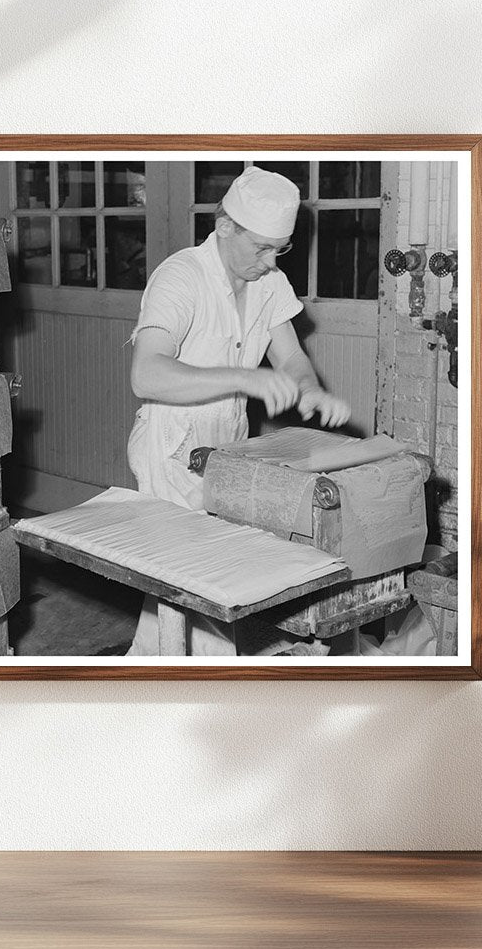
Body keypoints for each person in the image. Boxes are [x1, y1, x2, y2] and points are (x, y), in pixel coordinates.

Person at [124, 166, 351, 655]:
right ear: (225, 226)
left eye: (280, 249)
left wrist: (309, 388)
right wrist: (247, 378)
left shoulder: (268, 281)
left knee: (185, 581)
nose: (271, 262)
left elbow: (289, 356)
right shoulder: (181, 277)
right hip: (173, 441)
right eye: (261, 248)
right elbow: (147, 375)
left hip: (228, 439)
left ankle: (149, 665)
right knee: (202, 575)